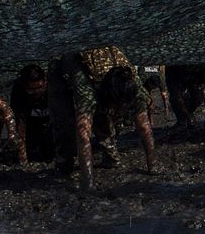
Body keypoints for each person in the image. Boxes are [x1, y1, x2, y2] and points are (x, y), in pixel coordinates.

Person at [47, 46, 155, 190]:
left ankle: (110, 156)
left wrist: (152, 166)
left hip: (103, 83)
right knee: (65, 120)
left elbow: (143, 126)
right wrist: (88, 183)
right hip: (62, 69)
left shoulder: (133, 85)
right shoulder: (86, 86)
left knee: (103, 119)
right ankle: (64, 162)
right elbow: (83, 132)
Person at [10, 63, 55, 162]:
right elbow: (20, 123)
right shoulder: (18, 91)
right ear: (24, 85)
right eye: (32, 89)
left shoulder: (55, 86)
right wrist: (22, 156)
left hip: (52, 116)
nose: (37, 92)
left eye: (40, 88)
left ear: (45, 82)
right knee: (32, 154)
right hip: (31, 120)